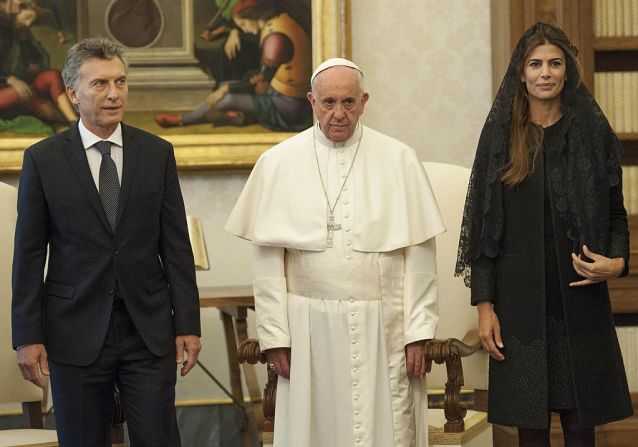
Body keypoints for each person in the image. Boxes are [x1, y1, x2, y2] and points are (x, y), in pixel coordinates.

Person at [225, 58, 445, 447]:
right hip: (309, 327)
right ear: (311, 101)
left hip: (385, 323)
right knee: (316, 430)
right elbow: (267, 262)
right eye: (328, 103)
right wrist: (275, 334)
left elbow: (421, 258)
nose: (338, 114)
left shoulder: (399, 159)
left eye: (348, 102)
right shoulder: (278, 162)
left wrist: (419, 332)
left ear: (364, 102)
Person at [11, 37, 201, 447]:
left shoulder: (157, 153)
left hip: (148, 330)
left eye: (120, 82)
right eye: (100, 84)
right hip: (74, 330)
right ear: (73, 93)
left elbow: (176, 247)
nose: (114, 94)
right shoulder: (43, 160)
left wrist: (187, 322)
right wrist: (28, 336)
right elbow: (28, 255)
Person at [456, 22, 632, 446]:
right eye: (535, 64)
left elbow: (615, 215)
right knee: (530, 428)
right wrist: (484, 305)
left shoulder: (592, 136)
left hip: (580, 302)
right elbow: (482, 230)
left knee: (580, 424)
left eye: (555, 63)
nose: (545, 72)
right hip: (519, 306)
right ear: (521, 72)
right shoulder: (501, 138)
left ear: (567, 71)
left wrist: (619, 262)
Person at [155, 0, 312, 132]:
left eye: (243, 23)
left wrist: (225, 90)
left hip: (290, 106)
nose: (243, 29)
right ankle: (236, 115)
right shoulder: (277, 21)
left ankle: (182, 120)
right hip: (279, 92)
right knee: (225, 85)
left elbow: (260, 81)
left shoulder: (275, 39)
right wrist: (226, 87)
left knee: (227, 97)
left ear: (253, 15)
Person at [0, 0, 77, 129]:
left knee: (52, 75)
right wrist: (10, 80)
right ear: (14, 13)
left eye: (32, 20)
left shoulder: (23, 34)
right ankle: (67, 122)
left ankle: (73, 120)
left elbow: (37, 67)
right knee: (24, 93)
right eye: (27, 17)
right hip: (6, 90)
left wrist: (25, 42)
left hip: (23, 85)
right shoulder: (2, 33)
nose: (28, 24)